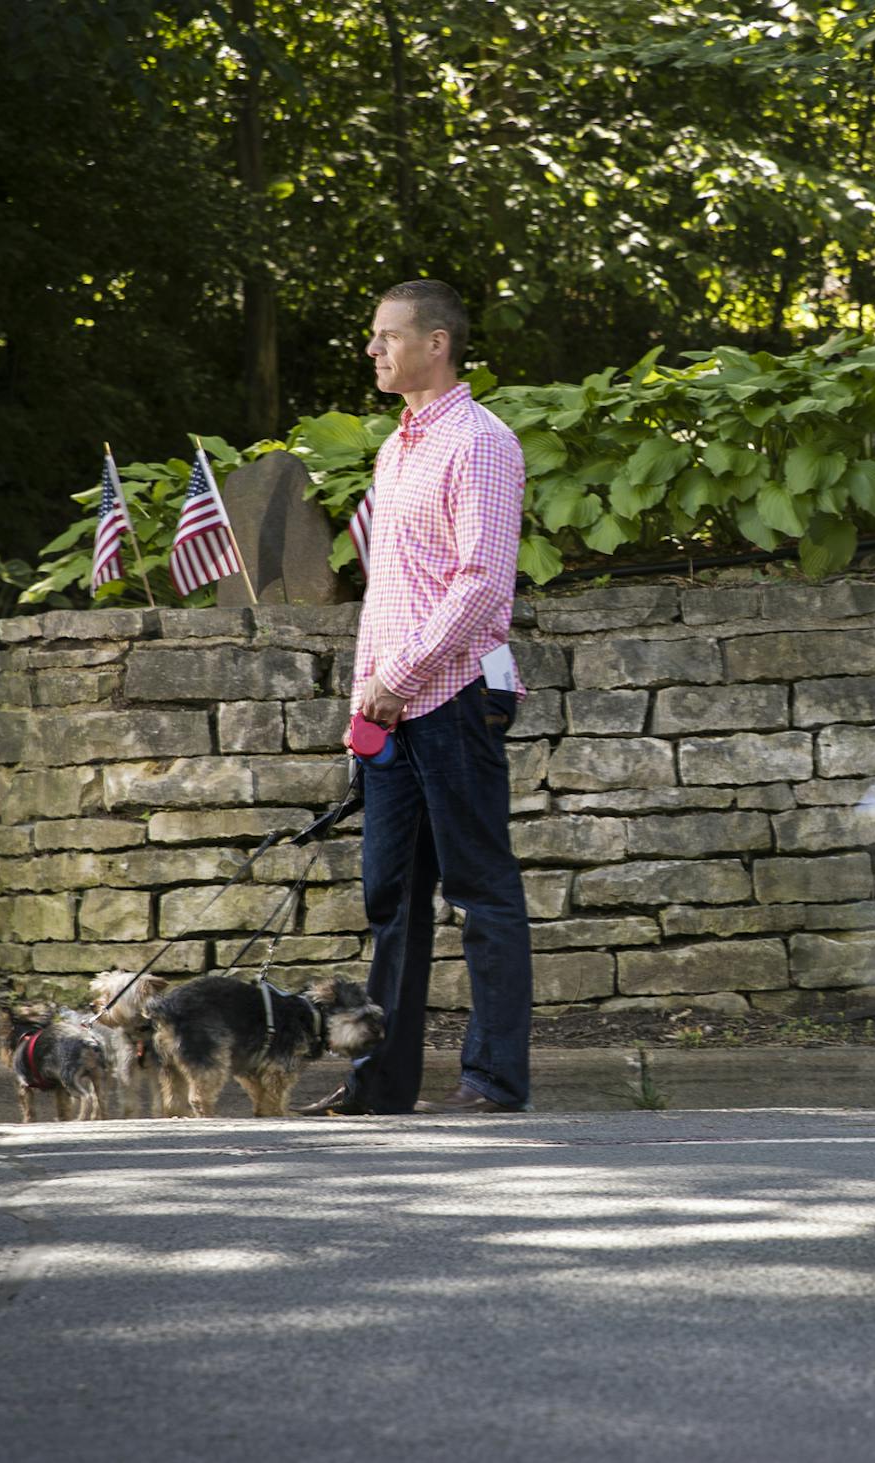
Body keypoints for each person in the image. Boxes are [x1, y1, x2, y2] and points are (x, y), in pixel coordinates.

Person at [294, 279, 534, 1116]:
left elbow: (479, 588)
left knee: (482, 892)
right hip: (391, 710)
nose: (373, 349)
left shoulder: (482, 442)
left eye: (388, 337)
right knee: (392, 901)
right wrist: (367, 699)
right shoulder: (396, 447)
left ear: (437, 343)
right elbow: (392, 591)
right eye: (373, 337)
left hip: (455, 698)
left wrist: (399, 682)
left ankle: (494, 1081)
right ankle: (380, 1084)